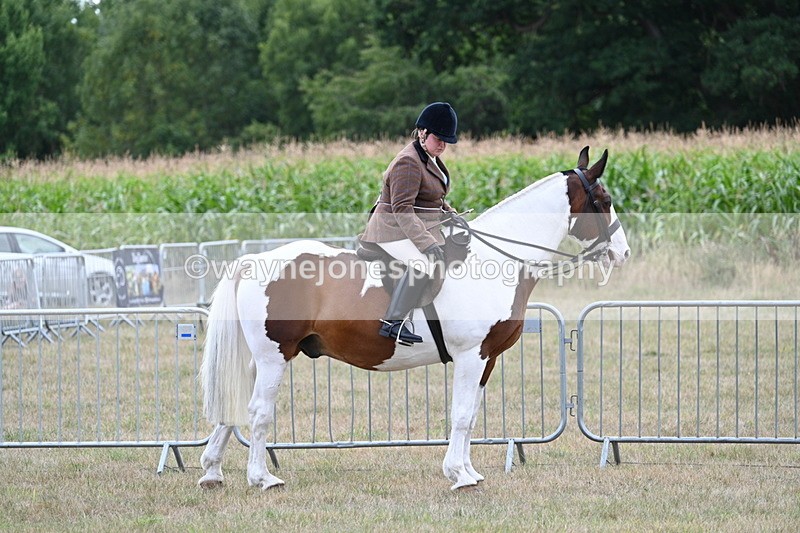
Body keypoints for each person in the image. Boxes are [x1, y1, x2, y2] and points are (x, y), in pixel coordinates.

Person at [360, 102, 462, 344]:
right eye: (439, 138)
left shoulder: (428, 156)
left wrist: (450, 213)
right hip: (390, 229)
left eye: (447, 141)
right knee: (423, 263)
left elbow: (431, 197)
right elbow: (402, 209)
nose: (443, 145)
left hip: (410, 225)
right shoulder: (408, 162)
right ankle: (392, 323)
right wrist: (427, 244)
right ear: (422, 132)